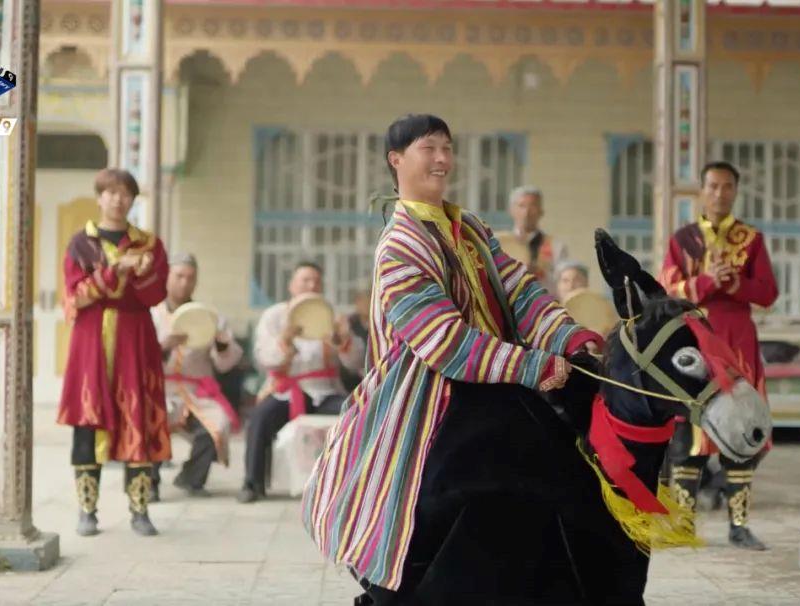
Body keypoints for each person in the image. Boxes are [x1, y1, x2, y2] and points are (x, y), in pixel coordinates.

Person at [301, 114, 603, 601]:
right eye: (429, 148)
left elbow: (520, 291)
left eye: (447, 147)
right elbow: (445, 343)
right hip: (425, 394)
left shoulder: (470, 228)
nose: (442, 158)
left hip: (493, 379)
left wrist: (567, 337)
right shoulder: (399, 245)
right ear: (396, 160)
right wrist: (534, 366)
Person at [658, 160, 779, 550]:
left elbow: (768, 293)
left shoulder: (751, 239)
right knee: (687, 436)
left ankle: (739, 527)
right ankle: (682, 527)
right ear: (701, 191)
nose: (719, 193)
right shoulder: (683, 240)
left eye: (727, 186)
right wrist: (708, 281)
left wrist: (737, 284)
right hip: (696, 344)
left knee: (742, 430)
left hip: (738, 346)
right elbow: (667, 290)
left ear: (736, 191)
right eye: (712, 186)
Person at [57, 168, 170, 537]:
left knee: (138, 417)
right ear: (99, 197)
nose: (118, 200)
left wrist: (141, 273)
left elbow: (156, 295)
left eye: (125, 193)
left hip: (135, 339)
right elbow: (76, 296)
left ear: (133, 200)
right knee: (87, 421)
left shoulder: (149, 244)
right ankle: (87, 509)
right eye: (111, 192)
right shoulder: (80, 244)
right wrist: (113, 272)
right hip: (91, 341)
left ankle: (140, 509)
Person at [238, 262, 365, 503]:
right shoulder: (275, 316)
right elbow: (263, 359)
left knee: (355, 414)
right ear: (292, 286)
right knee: (259, 418)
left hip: (325, 390)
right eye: (305, 280)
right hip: (285, 390)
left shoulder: (333, 315)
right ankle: (252, 483)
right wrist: (285, 341)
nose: (311, 285)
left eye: (316, 281)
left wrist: (343, 342)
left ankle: (350, 482)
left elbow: (356, 361)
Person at [150, 253, 243, 498]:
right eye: (179, 276)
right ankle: (149, 482)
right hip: (160, 390)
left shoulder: (209, 317)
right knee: (150, 419)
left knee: (218, 424)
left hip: (197, 393)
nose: (184, 283)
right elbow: (137, 359)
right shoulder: (151, 315)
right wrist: (163, 348)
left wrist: (221, 345)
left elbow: (226, 364)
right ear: (166, 277)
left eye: (190, 278)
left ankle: (191, 478)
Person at [497, 185, 568, 290]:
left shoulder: (556, 246)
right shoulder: (499, 243)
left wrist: (541, 273)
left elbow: (563, 283)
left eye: (532, 206)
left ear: (541, 211)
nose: (526, 212)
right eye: (521, 206)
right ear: (511, 210)